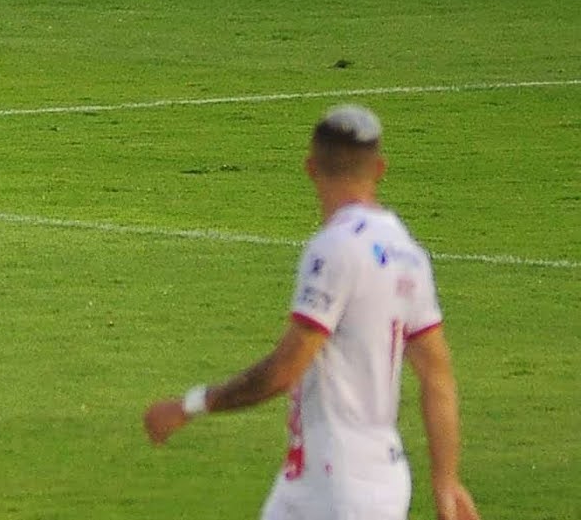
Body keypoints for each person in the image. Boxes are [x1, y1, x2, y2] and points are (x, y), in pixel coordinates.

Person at [143, 105, 480, 520]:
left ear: (310, 168)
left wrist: (190, 405)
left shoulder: (334, 248)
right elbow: (437, 375)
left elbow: (285, 369)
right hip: (330, 481)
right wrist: (446, 479)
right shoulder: (407, 254)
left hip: (339, 487)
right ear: (379, 168)